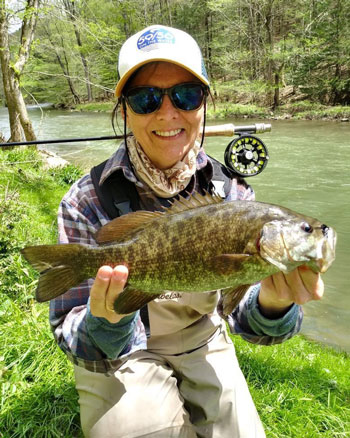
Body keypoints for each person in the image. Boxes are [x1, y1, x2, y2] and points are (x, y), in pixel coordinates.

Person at [51, 25, 324, 438]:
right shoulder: (85, 200)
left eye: (185, 95)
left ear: (204, 103)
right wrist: (105, 320)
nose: (167, 113)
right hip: (122, 355)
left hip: (201, 338)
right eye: (145, 99)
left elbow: (246, 319)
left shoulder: (231, 193)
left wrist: (272, 304)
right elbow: (72, 336)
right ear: (124, 110)